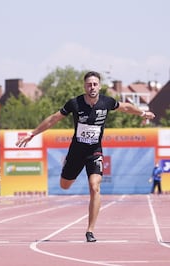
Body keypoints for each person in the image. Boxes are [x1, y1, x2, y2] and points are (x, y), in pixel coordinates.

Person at [16, 71, 155, 242]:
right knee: (65, 185)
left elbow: (126, 107)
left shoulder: (106, 102)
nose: (92, 87)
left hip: (94, 151)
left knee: (95, 186)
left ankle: (90, 230)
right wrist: (33, 133)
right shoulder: (75, 103)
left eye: (95, 84)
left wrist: (142, 113)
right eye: (89, 84)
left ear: (99, 86)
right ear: (85, 86)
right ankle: (66, 167)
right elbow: (54, 118)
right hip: (76, 151)